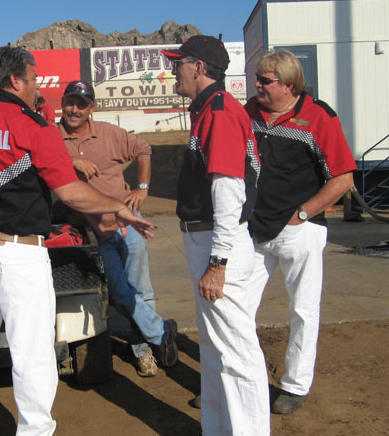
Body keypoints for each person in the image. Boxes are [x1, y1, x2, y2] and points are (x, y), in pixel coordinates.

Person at [0, 46, 156, 436]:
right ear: (15, 81)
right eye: (33, 79)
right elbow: (71, 194)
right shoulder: (33, 127)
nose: (37, 87)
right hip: (19, 255)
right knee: (31, 353)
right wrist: (119, 206)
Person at [162, 36, 269, 435]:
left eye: (178, 64)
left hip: (219, 241)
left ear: (199, 68)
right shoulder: (209, 109)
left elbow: (228, 192)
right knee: (215, 349)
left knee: (236, 354)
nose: (173, 71)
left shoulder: (220, 111)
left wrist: (218, 262)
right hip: (208, 239)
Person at [246, 49, 356, 414]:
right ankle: (239, 380)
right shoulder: (249, 111)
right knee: (237, 307)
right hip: (254, 229)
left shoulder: (319, 116)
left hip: (299, 230)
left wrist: (304, 213)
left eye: (265, 80)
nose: (257, 85)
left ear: (289, 85)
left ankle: (295, 386)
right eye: (257, 78)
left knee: (303, 310)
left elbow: (343, 177)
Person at [57, 80, 178, 377]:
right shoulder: (52, 137)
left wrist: (142, 187)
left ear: (91, 108)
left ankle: (143, 350)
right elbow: (35, 159)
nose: (74, 109)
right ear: (62, 103)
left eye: (81, 104)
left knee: (141, 290)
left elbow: (143, 148)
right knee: (120, 293)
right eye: (70, 102)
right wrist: (70, 161)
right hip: (94, 233)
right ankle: (162, 331)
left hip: (127, 222)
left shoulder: (109, 133)